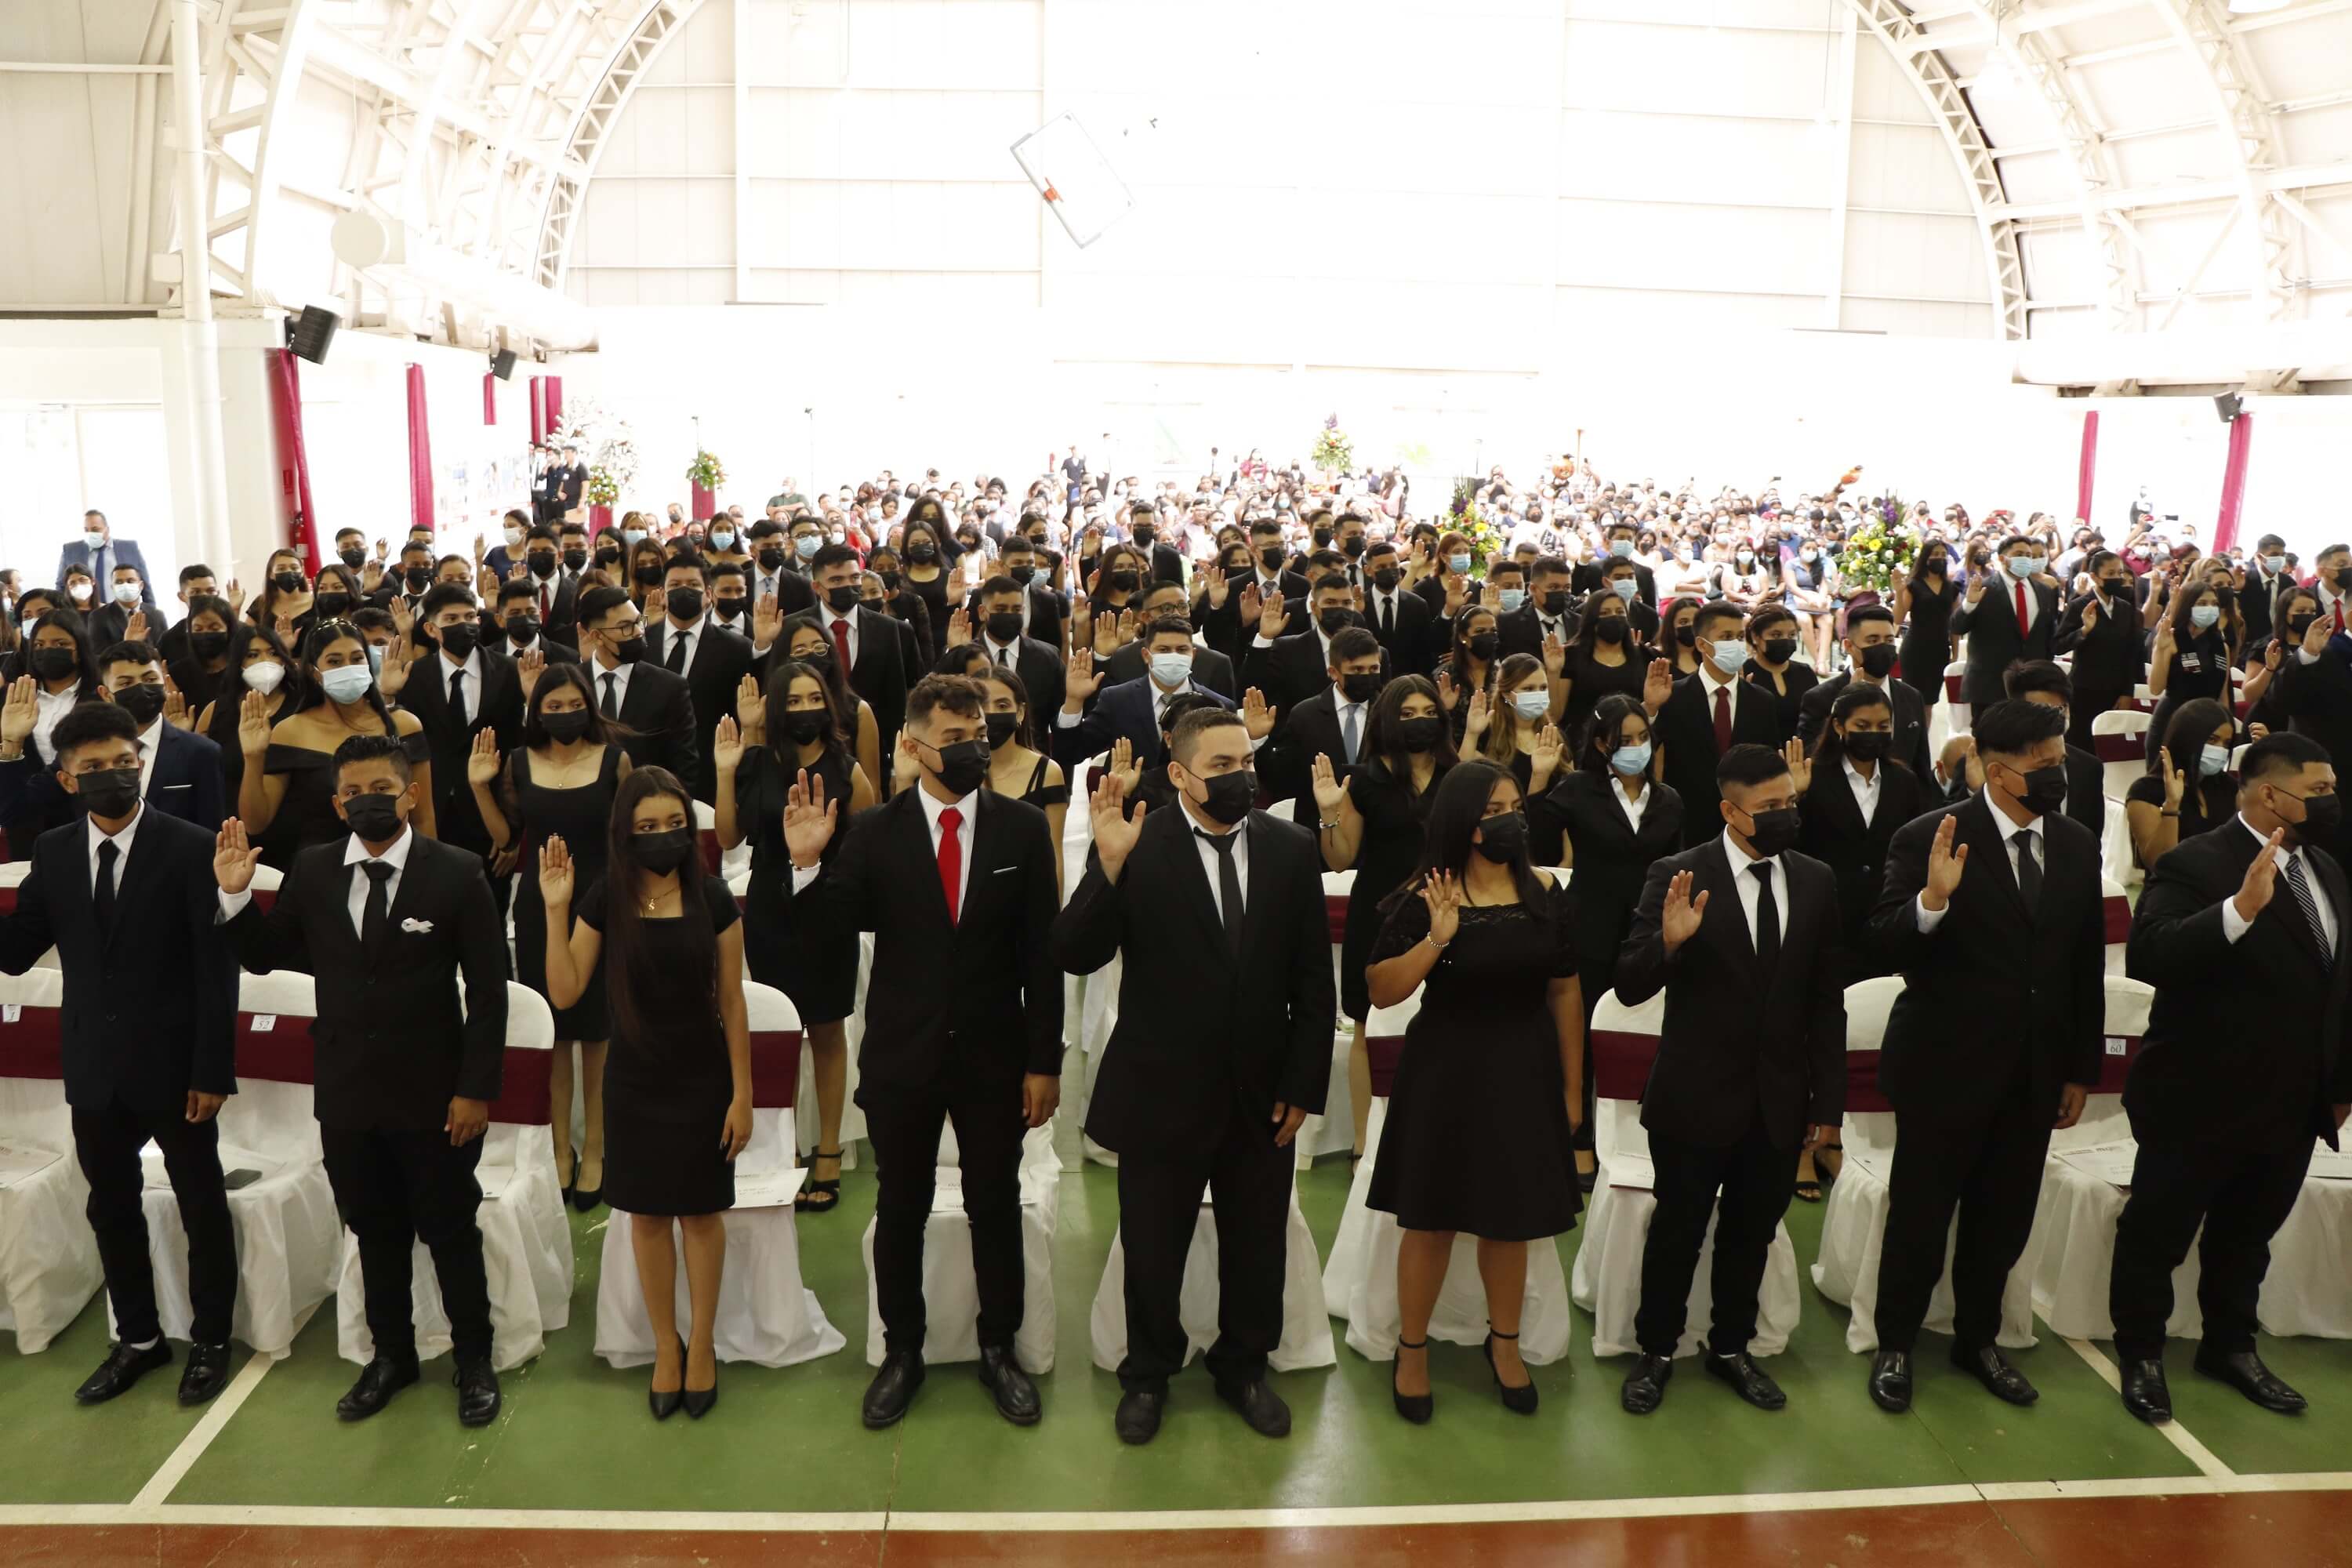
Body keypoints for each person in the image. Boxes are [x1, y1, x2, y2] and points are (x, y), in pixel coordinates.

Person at [781, 675, 1062, 1430]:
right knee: (899, 1208)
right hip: (903, 1056)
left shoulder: (1021, 829)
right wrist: (806, 866)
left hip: (996, 1056)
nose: (973, 745)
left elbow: (1042, 956)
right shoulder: (875, 833)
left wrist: (1046, 1063)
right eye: (955, 737)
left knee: (994, 1205)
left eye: (979, 730)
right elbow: (829, 935)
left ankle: (999, 1347)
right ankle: (901, 1349)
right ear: (912, 745)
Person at [1054, 706, 1336, 1445]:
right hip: (1161, 1090)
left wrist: (1304, 1085)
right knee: (1152, 1248)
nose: (1240, 777)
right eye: (1220, 767)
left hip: (1261, 1095)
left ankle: (1244, 1368)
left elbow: (1313, 983)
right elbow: (1075, 953)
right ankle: (1147, 1374)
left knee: (1257, 1244)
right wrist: (1107, 867)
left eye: (1244, 761)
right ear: (1177, 774)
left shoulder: (1290, 847)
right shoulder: (1136, 845)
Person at [214, 734, 508, 1426]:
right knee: (373, 1231)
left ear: (409, 793)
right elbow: (264, 957)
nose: (367, 801)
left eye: (381, 789)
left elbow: (491, 994)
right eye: (353, 792)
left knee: (450, 1230)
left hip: (435, 1094)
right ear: (337, 802)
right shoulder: (313, 871)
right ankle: (392, 1357)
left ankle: (474, 1358)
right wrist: (234, 898)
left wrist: (475, 1090)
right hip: (346, 1091)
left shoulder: (457, 872)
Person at [1863, 699, 2104, 1414]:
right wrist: (1931, 904)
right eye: (2048, 765)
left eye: (2062, 760)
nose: (2062, 774)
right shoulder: (1928, 837)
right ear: (2001, 772)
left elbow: (2082, 961)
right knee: (1920, 1215)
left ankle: (1978, 1340)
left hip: (2034, 1072)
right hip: (1945, 1065)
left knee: (2003, 1216)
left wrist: (2078, 1067)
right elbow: (1881, 940)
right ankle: (1896, 1344)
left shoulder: (2073, 842)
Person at [0, 702, 240, 1406]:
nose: (113, 776)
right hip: (96, 1067)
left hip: (177, 1067)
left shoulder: (192, 846)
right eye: (94, 768)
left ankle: (212, 1338)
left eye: (123, 762)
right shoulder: (52, 851)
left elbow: (215, 970)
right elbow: (17, 955)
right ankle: (137, 1339)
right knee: (112, 1207)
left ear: (142, 762)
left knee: (201, 1206)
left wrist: (211, 1069)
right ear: (69, 780)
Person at [2113, 731, 2352, 1425]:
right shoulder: (2194, 862)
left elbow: (2339, 987)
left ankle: (2230, 1346)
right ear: (2269, 794)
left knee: (2248, 1237)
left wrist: (2339, 1085)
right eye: (2319, 790)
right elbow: (2151, 954)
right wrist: (2239, 912)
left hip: (2291, 1101)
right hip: (2199, 1094)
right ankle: (2143, 1353)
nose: (2332, 801)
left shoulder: (2326, 869)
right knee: (2158, 1234)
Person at [1615, 743, 1846, 1416]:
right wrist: (1669, 942)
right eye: (1768, 807)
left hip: (1778, 1100)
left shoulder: (1815, 880)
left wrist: (1826, 1101)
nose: (1783, 816)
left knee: (1753, 1234)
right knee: (1677, 1232)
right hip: (1694, 1097)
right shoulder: (1677, 873)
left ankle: (1730, 1348)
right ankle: (1655, 1349)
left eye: (1789, 804)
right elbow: (1629, 983)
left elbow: (1825, 1000)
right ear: (1730, 811)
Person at [1362, 760, 1582, 1422]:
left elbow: (1567, 990)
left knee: (1510, 1222)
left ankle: (1506, 1345)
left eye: (1515, 806)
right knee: (1429, 1220)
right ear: (1464, 820)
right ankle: (1412, 1350)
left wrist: (1573, 1091)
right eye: (1492, 810)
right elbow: (1380, 990)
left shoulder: (1545, 890)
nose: (1508, 818)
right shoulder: (1429, 893)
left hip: (1525, 1068)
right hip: (1445, 1071)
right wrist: (1437, 937)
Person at [539, 768, 751, 1419]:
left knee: (702, 1217)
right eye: (648, 828)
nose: (664, 838)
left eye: (675, 825)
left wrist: (742, 1095)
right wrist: (555, 908)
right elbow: (566, 991)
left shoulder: (714, 899)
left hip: (702, 1080)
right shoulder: (606, 898)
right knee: (651, 1218)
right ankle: (666, 1344)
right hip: (632, 1083)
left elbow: (734, 1002)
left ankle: (705, 1343)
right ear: (626, 835)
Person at [717, 661, 874, 1214]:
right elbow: (729, 836)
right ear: (780, 708)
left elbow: (870, 839)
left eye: (816, 698)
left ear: (827, 708)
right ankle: (774, 1148)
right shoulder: (757, 762)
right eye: (796, 699)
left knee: (828, 1030)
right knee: (777, 1028)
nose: (806, 707)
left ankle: (829, 1150)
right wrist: (725, 769)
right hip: (768, 907)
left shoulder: (847, 768)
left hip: (829, 906)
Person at [470, 664, 629, 1210]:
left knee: (599, 1033)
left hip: (604, 901)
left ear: (588, 703)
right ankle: (560, 1150)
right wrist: (479, 788)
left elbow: (630, 834)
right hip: (542, 901)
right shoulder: (518, 763)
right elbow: (505, 840)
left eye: (572, 704)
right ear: (537, 712)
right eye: (552, 707)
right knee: (555, 1031)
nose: (564, 714)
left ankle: (600, 1150)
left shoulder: (614, 760)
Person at [1530, 694, 1682, 1189]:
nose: (1636, 747)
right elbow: (1536, 845)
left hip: (1650, 932)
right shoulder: (1576, 791)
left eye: (1643, 738)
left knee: (1652, 1034)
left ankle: (1646, 1137)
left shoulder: (1669, 800)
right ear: (1601, 744)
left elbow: (1678, 866)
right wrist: (1538, 779)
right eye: (1624, 740)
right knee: (1583, 1038)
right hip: (1588, 927)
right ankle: (1576, 1141)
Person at [1312, 674, 1454, 1159]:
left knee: (1443, 1025)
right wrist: (1330, 813)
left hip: (1446, 912)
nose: (1419, 723)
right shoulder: (1366, 777)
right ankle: (1363, 1143)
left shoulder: (1459, 773)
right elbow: (1338, 857)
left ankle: (1433, 1139)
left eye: (1429, 713)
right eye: (1408, 714)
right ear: (1388, 720)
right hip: (1379, 914)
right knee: (1368, 1026)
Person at [237, 621, 435, 865]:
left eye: (357, 658)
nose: (348, 668)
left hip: (397, 863)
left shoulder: (404, 724)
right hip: (320, 870)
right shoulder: (291, 730)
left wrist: (427, 871)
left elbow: (424, 818)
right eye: (334, 661)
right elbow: (256, 823)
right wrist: (253, 757)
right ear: (313, 672)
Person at [1796, 683, 1929, 978]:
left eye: (1883, 725)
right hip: (1827, 915)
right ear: (1839, 726)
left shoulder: (1903, 781)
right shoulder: (1812, 777)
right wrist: (1795, 798)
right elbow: (1795, 844)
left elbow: (1910, 848)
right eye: (1863, 725)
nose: (1873, 733)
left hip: (1884, 916)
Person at [397, 586, 523, 868]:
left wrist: (513, 832)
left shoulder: (509, 671)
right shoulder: (414, 675)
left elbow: (518, 747)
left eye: (470, 616)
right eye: (451, 619)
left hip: (491, 811)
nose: (463, 625)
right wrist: (389, 696)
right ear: (431, 629)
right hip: (434, 812)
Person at [1651, 601, 1783, 848]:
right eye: (1726, 637)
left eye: (1739, 636)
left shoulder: (1761, 700)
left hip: (1745, 826)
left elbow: (1767, 760)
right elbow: (1651, 751)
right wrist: (1650, 709)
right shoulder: (1673, 697)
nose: (1735, 643)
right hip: (1686, 825)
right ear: (1702, 644)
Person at [785, 545, 912, 787]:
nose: (848, 585)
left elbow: (895, 699)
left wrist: (896, 765)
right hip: (808, 755)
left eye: (854, 578)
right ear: (817, 587)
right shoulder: (796, 627)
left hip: (873, 756)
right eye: (836, 580)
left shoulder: (887, 628)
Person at [575, 586, 700, 786]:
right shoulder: (573, 683)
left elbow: (685, 767)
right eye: (626, 627)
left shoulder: (670, 688)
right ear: (597, 636)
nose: (638, 632)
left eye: (638, 622)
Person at [0, 609, 101, 858]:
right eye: (40, 645)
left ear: (79, 648)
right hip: (27, 825)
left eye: (60, 644)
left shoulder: (101, 696)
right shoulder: (11, 701)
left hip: (91, 819)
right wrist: (11, 742)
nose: (49, 650)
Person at [1795, 606, 1933, 779]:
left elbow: (1921, 768)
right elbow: (1812, 763)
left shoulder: (1911, 697)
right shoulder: (1820, 698)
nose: (1883, 647)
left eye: (1889, 640)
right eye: (1873, 640)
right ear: (1849, 646)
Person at [2001, 659, 2110, 842]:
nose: (2056, 718)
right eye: (2044, 710)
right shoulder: (1999, 765)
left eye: (2061, 708)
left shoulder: (2089, 768)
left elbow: (2092, 841)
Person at [1946, 535, 2060, 710]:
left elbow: (2049, 637)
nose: (2026, 559)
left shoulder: (2044, 591)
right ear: (2002, 558)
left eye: (2029, 555)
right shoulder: (1984, 589)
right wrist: (1970, 604)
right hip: (1990, 687)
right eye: (2019, 554)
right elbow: (1957, 626)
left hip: (2032, 688)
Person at [2125, 697, 2238, 870]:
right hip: (2171, 892)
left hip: (2220, 889)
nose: (2220, 750)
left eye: (2226, 743)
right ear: (2188, 739)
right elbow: (2158, 863)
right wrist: (2172, 805)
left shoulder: (2228, 787)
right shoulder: (2145, 791)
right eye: (2212, 740)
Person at [2049, 551, 2146, 749]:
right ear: (2094, 577)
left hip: (2115, 691)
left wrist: (2128, 692)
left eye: (2119, 573)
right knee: (2080, 745)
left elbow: (2131, 655)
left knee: (2110, 748)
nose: (2117, 578)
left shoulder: (2126, 609)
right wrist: (2084, 630)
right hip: (2084, 689)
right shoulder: (2079, 606)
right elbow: (2058, 645)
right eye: (2111, 573)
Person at [2143, 581, 2234, 765]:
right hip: (2172, 721)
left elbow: (2223, 695)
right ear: (2188, 606)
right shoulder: (2171, 639)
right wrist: (2160, 650)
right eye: (2202, 603)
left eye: (2214, 604)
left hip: (2208, 725)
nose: (2210, 608)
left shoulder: (2220, 645)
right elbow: (2155, 688)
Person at [1889, 543, 1960, 716]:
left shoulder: (1952, 588)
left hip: (1939, 652)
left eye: (1943, 554)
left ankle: (1924, 741)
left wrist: (1956, 653)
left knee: (1928, 704)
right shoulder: (1913, 585)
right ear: (1925, 557)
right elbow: (1898, 618)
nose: (1940, 558)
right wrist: (1899, 593)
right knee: (1911, 701)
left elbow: (1955, 624)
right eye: (1935, 554)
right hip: (1915, 650)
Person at [1740, 605, 1817, 745]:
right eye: (1776, 635)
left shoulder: (1805, 673)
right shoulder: (1743, 673)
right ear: (1755, 637)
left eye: (1792, 635)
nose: (1786, 640)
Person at [58, 511, 154, 616]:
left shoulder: (129, 548)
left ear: (107, 529)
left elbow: (145, 584)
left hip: (123, 613)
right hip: (86, 615)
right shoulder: (71, 550)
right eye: (87, 530)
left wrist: (151, 614)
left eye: (95, 529)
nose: (91, 534)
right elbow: (61, 586)